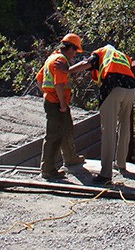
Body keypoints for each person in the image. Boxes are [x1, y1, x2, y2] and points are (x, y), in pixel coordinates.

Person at [70, 43, 135, 183]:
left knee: (108, 129)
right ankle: (121, 163)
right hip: (131, 86)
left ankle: (106, 174)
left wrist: (68, 71)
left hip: (113, 86)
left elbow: (85, 63)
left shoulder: (101, 52)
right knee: (125, 125)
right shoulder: (123, 55)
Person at [36, 33, 85, 180]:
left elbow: (38, 79)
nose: (75, 54)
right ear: (71, 48)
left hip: (53, 101)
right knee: (54, 136)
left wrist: (46, 94)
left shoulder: (51, 58)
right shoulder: (60, 61)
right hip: (57, 103)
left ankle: (70, 157)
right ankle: (48, 169)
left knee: (67, 129)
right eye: (75, 51)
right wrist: (62, 104)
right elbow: (58, 84)